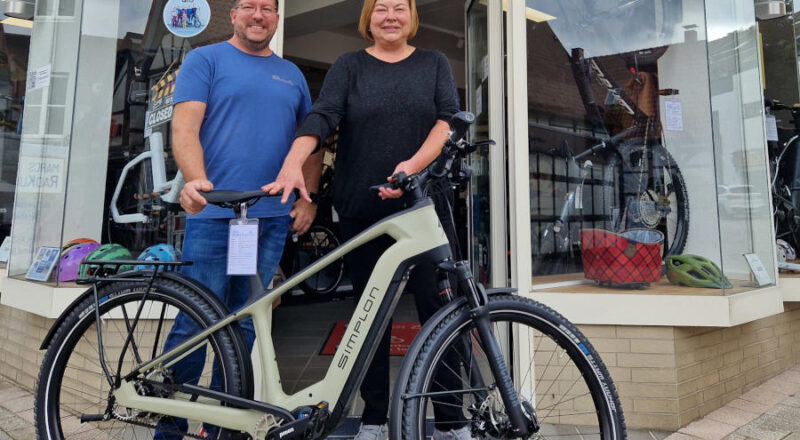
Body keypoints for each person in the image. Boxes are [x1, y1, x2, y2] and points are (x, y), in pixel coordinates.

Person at [264, 1, 469, 439]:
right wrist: (293, 163)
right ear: (368, 18)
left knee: (443, 313)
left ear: (412, 17)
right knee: (368, 318)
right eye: (381, 8)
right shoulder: (348, 66)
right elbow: (322, 117)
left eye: (399, 7)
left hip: (424, 210)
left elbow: (446, 121)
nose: (390, 15)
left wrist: (410, 167)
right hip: (363, 212)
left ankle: (452, 422)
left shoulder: (433, 64)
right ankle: (374, 419)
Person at [156, 0, 320, 438]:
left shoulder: (293, 75)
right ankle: (169, 427)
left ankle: (219, 425)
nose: (259, 15)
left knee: (245, 321)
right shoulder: (205, 59)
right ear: (233, 14)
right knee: (196, 319)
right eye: (249, 6)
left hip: (269, 220)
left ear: (277, 19)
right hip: (213, 214)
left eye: (268, 8)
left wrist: (309, 199)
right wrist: (195, 182)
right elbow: (184, 128)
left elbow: (312, 142)